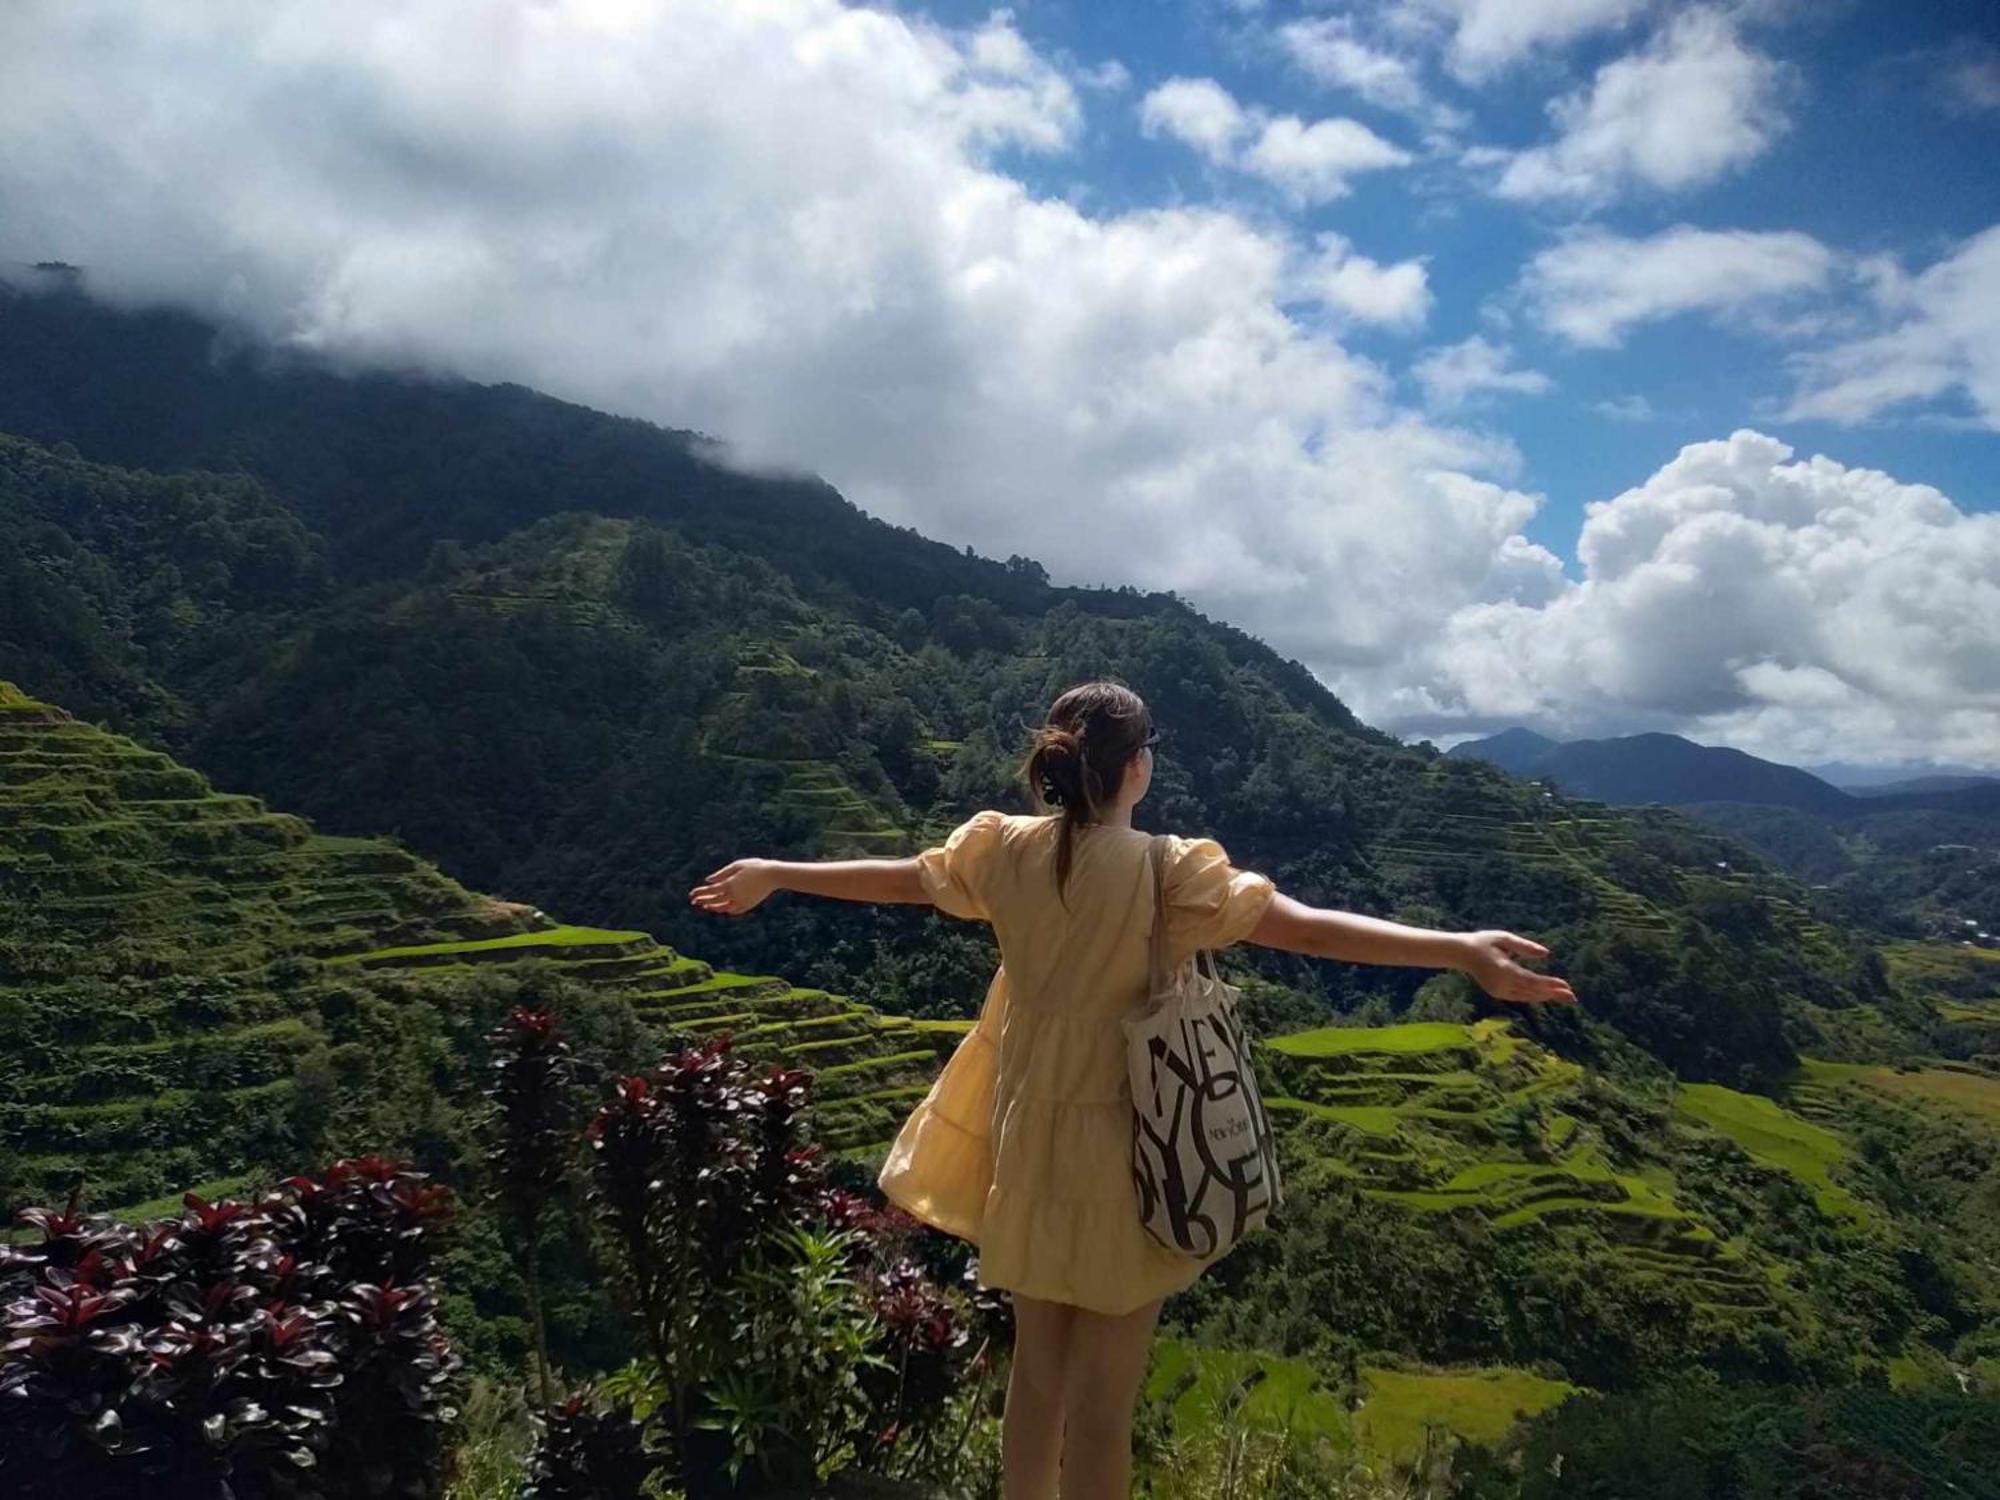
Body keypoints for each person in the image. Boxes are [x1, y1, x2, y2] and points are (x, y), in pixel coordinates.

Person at [689, 679, 1577, 1499]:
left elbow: (905, 881)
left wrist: (778, 871)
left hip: (1027, 1127)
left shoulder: (1001, 849)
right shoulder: (1167, 871)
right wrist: (1458, 948)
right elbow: (1305, 931)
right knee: (1104, 1403)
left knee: (1037, 1377)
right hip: (1137, 1146)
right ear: (1138, 766)